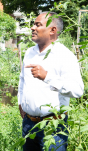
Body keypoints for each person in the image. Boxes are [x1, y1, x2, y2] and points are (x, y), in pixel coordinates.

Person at [18, 12, 84, 151]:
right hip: (29, 124)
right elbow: (22, 80)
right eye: (34, 24)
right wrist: (20, 101)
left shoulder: (65, 56)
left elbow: (77, 90)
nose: (32, 28)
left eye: (38, 24)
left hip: (53, 127)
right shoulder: (29, 52)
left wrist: (47, 77)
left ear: (52, 30)